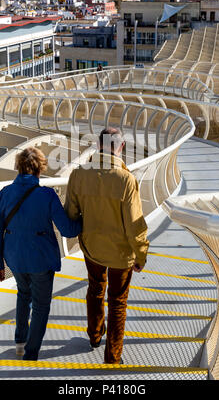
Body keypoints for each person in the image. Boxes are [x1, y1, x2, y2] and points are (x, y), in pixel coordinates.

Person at [64, 127, 149, 364]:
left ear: (98, 144)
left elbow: (70, 213)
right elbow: (135, 225)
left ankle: (94, 335)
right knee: (118, 301)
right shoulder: (126, 180)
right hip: (121, 254)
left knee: (95, 289)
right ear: (121, 147)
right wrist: (141, 255)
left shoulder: (79, 174)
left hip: (92, 248)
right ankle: (113, 356)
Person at [0, 147, 82, 361]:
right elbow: (68, 230)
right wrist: (84, 221)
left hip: (14, 257)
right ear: (40, 168)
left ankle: (20, 342)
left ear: (18, 167)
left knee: (23, 294)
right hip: (41, 258)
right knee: (41, 305)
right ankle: (31, 352)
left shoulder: (5, 193)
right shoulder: (46, 195)